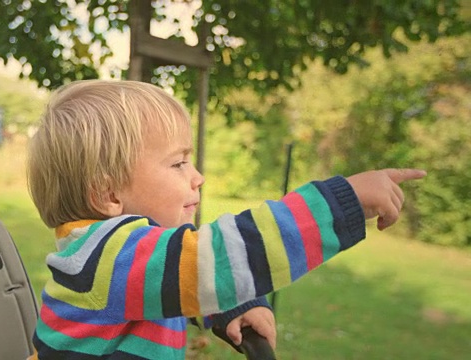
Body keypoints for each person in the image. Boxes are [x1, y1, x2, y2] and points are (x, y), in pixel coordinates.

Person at [26, 79, 426, 359]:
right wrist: (344, 204)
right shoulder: (109, 258)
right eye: (179, 163)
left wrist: (232, 306)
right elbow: (212, 261)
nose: (197, 176)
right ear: (109, 194)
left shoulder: (120, 258)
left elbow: (178, 282)